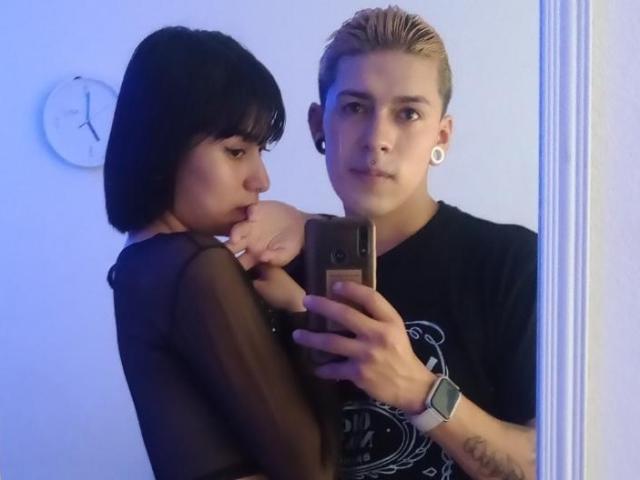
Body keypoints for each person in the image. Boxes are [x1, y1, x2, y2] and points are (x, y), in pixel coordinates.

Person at [228, 6, 537, 480]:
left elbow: (548, 466)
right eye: (355, 107)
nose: (378, 139)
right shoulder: (275, 267)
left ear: (441, 135)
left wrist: (419, 390)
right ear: (318, 125)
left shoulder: (511, 265)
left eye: (408, 113)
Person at [104, 27, 339, 480]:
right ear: (164, 148)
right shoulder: (196, 267)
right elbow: (315, 470)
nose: (261, 179)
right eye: (235, 151)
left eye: (259, 151)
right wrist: (299, 309)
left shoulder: (138, 263)